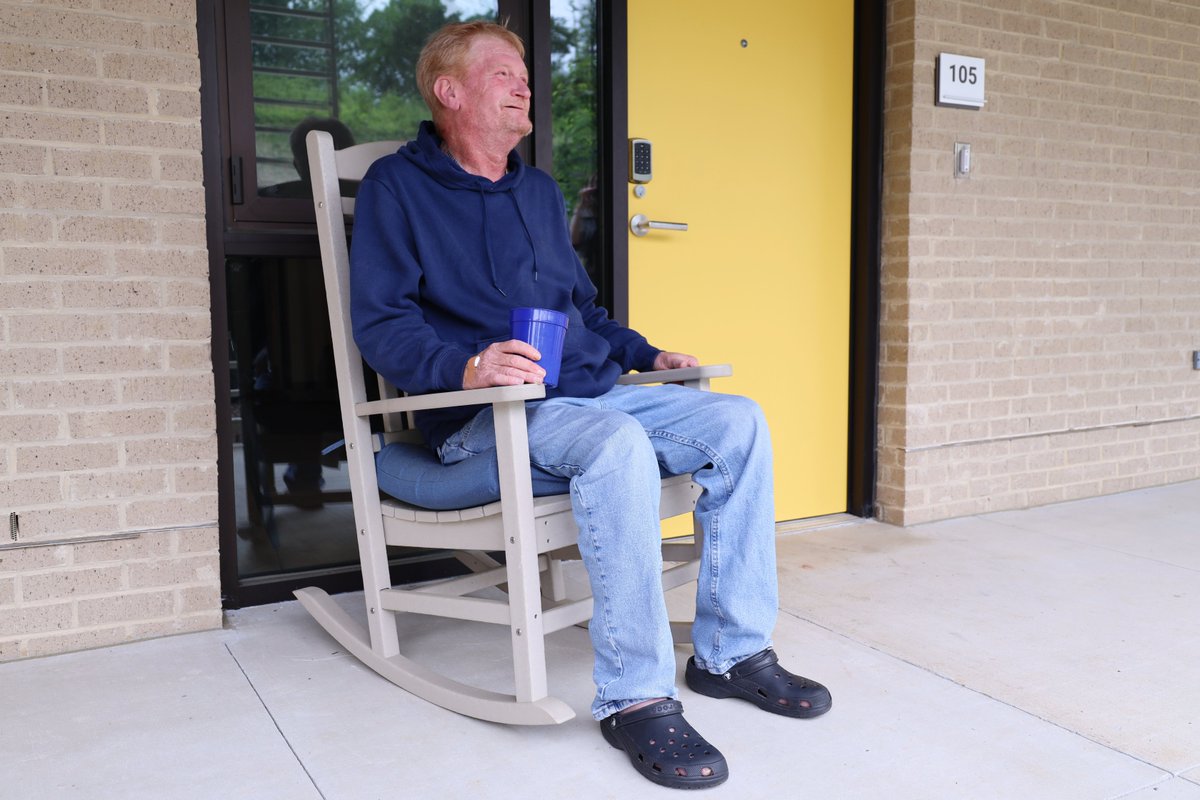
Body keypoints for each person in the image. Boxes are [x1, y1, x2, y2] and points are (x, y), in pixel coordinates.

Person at [350, 21, 831, 790]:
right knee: (615, 447)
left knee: (737, 421)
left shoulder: (538, 192)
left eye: (523, 74)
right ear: (449, 91)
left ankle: (731, 653)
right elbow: (381, 324)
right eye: (503, 72)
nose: (524, 84)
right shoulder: (398, 188)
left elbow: (586, 311)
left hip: (593, 396)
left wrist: (646, 354)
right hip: (486, 420)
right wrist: (468, 366)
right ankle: (635, 697)